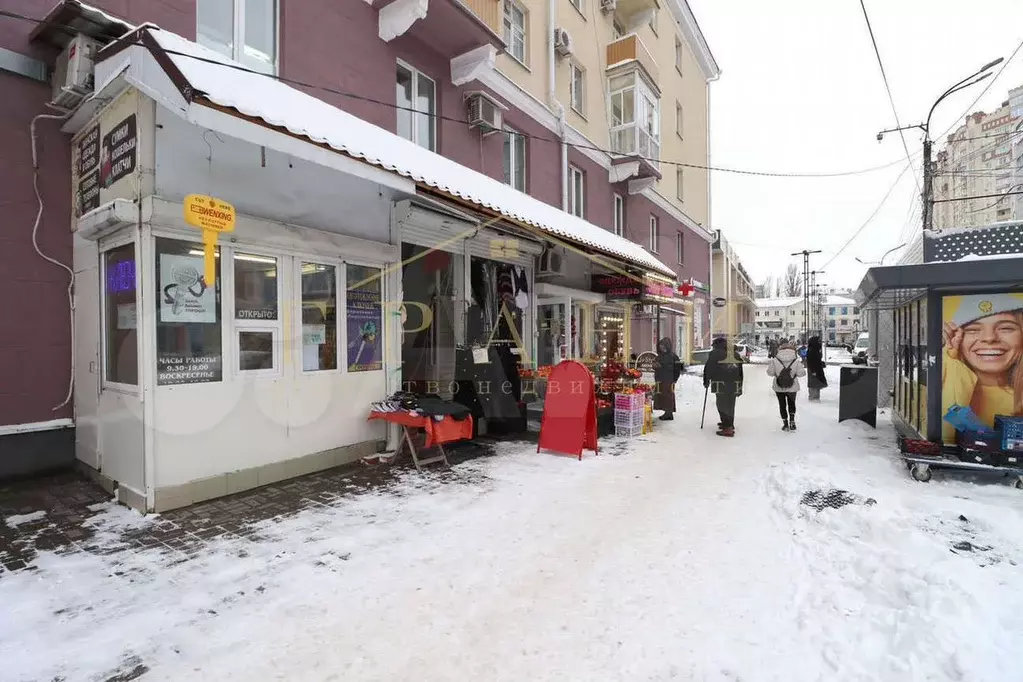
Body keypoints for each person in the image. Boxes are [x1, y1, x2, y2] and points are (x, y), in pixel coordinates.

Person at [941, 293, 1023, 444]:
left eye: (1005, 328)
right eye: (973, 330)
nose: (989, 338)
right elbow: (947, 431)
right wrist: (951, 357)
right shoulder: (944, 373)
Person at [704, 337, 744, 437]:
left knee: (721, 404)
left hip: (720, 383)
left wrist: (706, 380)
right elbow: (740, 372)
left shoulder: (715, 354)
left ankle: (727, 428)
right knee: (730, 404)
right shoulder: (735, 354)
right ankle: (729, 424)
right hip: (734, 383)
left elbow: (708, 368)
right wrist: (740, 386)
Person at [767, 339, 806, 431]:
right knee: (791, 403)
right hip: (792, 387)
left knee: (782, 404)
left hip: (779, 386)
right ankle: (792, 421)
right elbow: (801, 374)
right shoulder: (796, 360)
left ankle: (785, 424)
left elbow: (770, 373)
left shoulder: (775, 360)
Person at [653, 337, 684, 421]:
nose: (661, 348)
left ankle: (669, 413)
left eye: (663, 346)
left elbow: (678, 368)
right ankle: (667, 412)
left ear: (667, 346)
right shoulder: (659, 356)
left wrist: (675, 379)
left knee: (668, 396)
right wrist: (655, 366)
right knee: (662, 396)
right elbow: (654, 365)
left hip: (669, 380)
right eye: (660, 346)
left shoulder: (673, 356)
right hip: (660, 379)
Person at [805, 336, 827, 401]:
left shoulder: (815, 349)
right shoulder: (811, 350)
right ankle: (813, 398)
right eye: (818, 341)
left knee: (816, 384)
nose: (819, 342)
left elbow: (816, 360)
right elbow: (810, 362)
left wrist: (821, 363)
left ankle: (816, 398)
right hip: (814, 371)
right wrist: (813, 371)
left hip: (817, 370)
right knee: (813, 385)